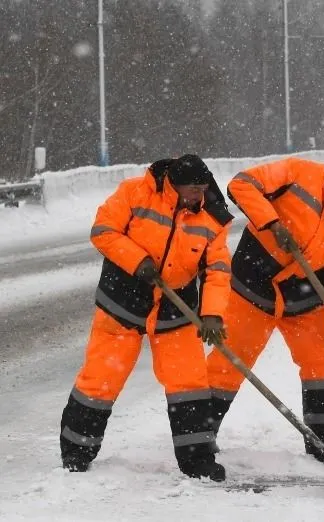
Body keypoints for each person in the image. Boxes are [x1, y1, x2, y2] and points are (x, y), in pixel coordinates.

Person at [207, 151, 324, 472]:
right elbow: (241, 185)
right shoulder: (299, 172)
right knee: (231, 359)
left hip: (305, 295)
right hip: (254, 283)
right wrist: (271, 222)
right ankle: (197, 435)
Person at [59, 154, 233, 482]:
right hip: (123, 298)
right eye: (191, 189)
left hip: (175, 306)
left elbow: (218, 270)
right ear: (173, 184)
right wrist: (137, 260)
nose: (197, 195)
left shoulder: (213, 217)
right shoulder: (135, 192)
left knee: (189, 382)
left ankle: (198, 461)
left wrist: (211, 314)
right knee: (101, 378)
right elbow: (103, 231)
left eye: (202, 188)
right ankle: (77, 452)